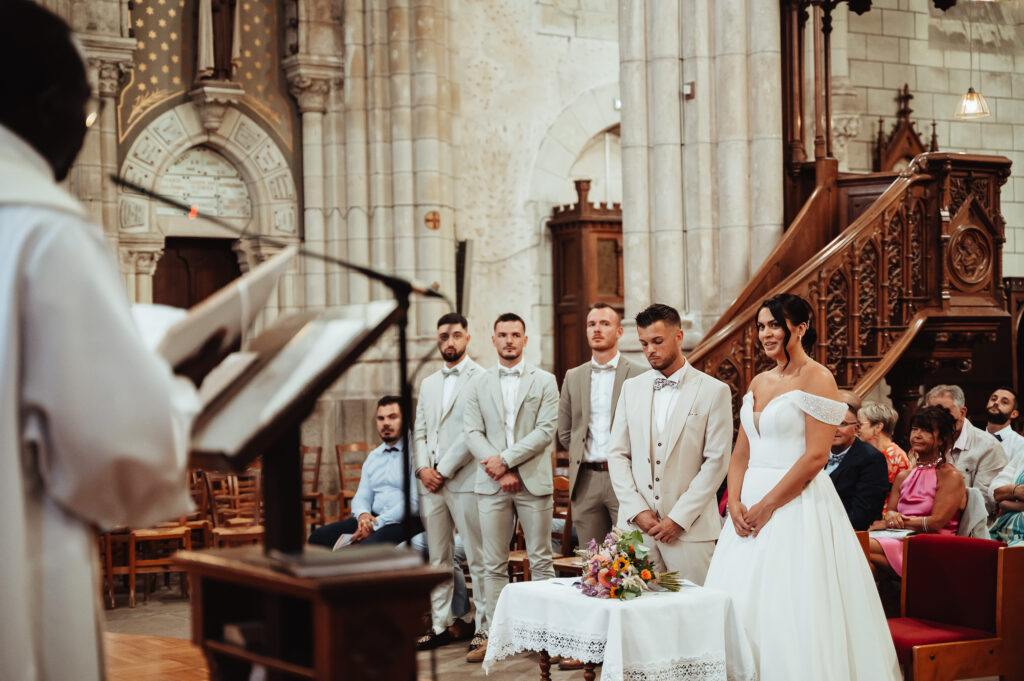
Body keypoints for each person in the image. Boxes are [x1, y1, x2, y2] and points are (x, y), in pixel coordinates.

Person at [0, 3, 221, 678]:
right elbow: (116, 464)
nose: (84, 129)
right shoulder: (43, 231)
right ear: (47, 105)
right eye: (87, 111)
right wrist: (180, 386)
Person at [704, 294, 900, 681]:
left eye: (774, 325)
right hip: (747, 508)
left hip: (795, 505)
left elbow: (814, 457)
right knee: (740, 602)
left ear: (800, 328)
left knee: (789, 607)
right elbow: (741, 452)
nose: (765, 334)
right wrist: (737, 501)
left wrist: (767, 506)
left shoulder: (818, 378)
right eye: (761, 326)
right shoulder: (759, 380)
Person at [606, 303, 732, 584]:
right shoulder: (631, 388)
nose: (650, 349)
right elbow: (616, 454)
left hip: (691, 532)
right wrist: (636, 510)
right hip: (636, 529)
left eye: (657, 341)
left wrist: (679, 518)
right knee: (636, 617)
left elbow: (717, 462)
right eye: (643, 343)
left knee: (696, 616)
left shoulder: (714, 392)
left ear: (679, 337)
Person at [463, 313, 559, 663]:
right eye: (502, 334)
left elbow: (546, 430)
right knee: (492, 564)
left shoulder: (545, 381)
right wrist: (499, 467)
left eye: (515, 335)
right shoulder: (476, 383)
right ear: (493, 339)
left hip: (533, 481)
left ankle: (546, 635)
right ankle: (496, 635)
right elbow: (472, 432)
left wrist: (505, 460)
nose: (508, 340)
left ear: (525, 339)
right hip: (491, 484)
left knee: (542, 558)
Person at [413, 313, 486, 651]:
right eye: (444, 336)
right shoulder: (427, 383)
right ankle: (441, 623)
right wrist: (422, 470)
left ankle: (484, 626)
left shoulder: (481, 378)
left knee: (477, 554)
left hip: (465, 478)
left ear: (467, 338)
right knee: (438, 557)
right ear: (437, 340)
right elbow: (421, 431)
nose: (450, 342)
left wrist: (443, 468)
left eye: (456, 335)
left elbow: (476, 431)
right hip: (431, 484)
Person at [557, 303, 644, 548]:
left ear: (619, 332)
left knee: (629, 556)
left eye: (605, 323)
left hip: (626, 477)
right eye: (591, 324)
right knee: (591, 561)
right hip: (586, 479)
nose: (597, 329)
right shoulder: (573, 376)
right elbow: (565, 431)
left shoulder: (640, 374)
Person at [308, 396, 422, 548]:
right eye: (381, 418)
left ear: (405, 419)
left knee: (364, 548)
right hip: (372, 519)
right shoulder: (373, 457)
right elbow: (362, 496)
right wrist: (363, 516)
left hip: (404, 522)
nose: (386, 423)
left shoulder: (417, 452)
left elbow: (414, 502)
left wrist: (376, 524)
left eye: (392, 417)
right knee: (317, 538)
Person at [869, 406, 966, 576]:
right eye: (915, 429)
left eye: (926, 431)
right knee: (865, 563)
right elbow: (891, 511)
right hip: (898, 538)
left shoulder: (950, 475)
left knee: (856, 546)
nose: (917, 435)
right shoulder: (904, 475)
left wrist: (890, 523)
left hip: (931, 544)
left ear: (942, 439)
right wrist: (890, 517)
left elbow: (936, 522)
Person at [925, 384, 1007, 515]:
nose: (937, 419)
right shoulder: (924, 442)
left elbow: (984, 503)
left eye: (944, 412)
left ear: (962, 412)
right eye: (931, 413)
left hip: (969, 528)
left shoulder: (988, 447)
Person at [825, 398, 890, 531]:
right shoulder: (815, 453)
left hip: (848, 532)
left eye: (842, 423)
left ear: (856, 428)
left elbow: (863, 513)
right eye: (830, 423)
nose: (835, 429)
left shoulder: (872, 459)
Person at [858, 401, 913, 477]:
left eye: (860, 424)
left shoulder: (896, 457)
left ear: (878, 427)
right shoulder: (862, 450)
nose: (856, 429)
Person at [989, 435, 1024, 546]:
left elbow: (1002, 500)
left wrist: (1005, 502)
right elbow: (995, 490)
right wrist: (1015, 491)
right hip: (1002, 532)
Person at [983, 386, 1024, 468]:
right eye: (993, 399)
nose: (996, 403)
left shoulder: (1021, 445)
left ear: (1014, 414)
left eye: (1004, 402)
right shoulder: (972, 439)